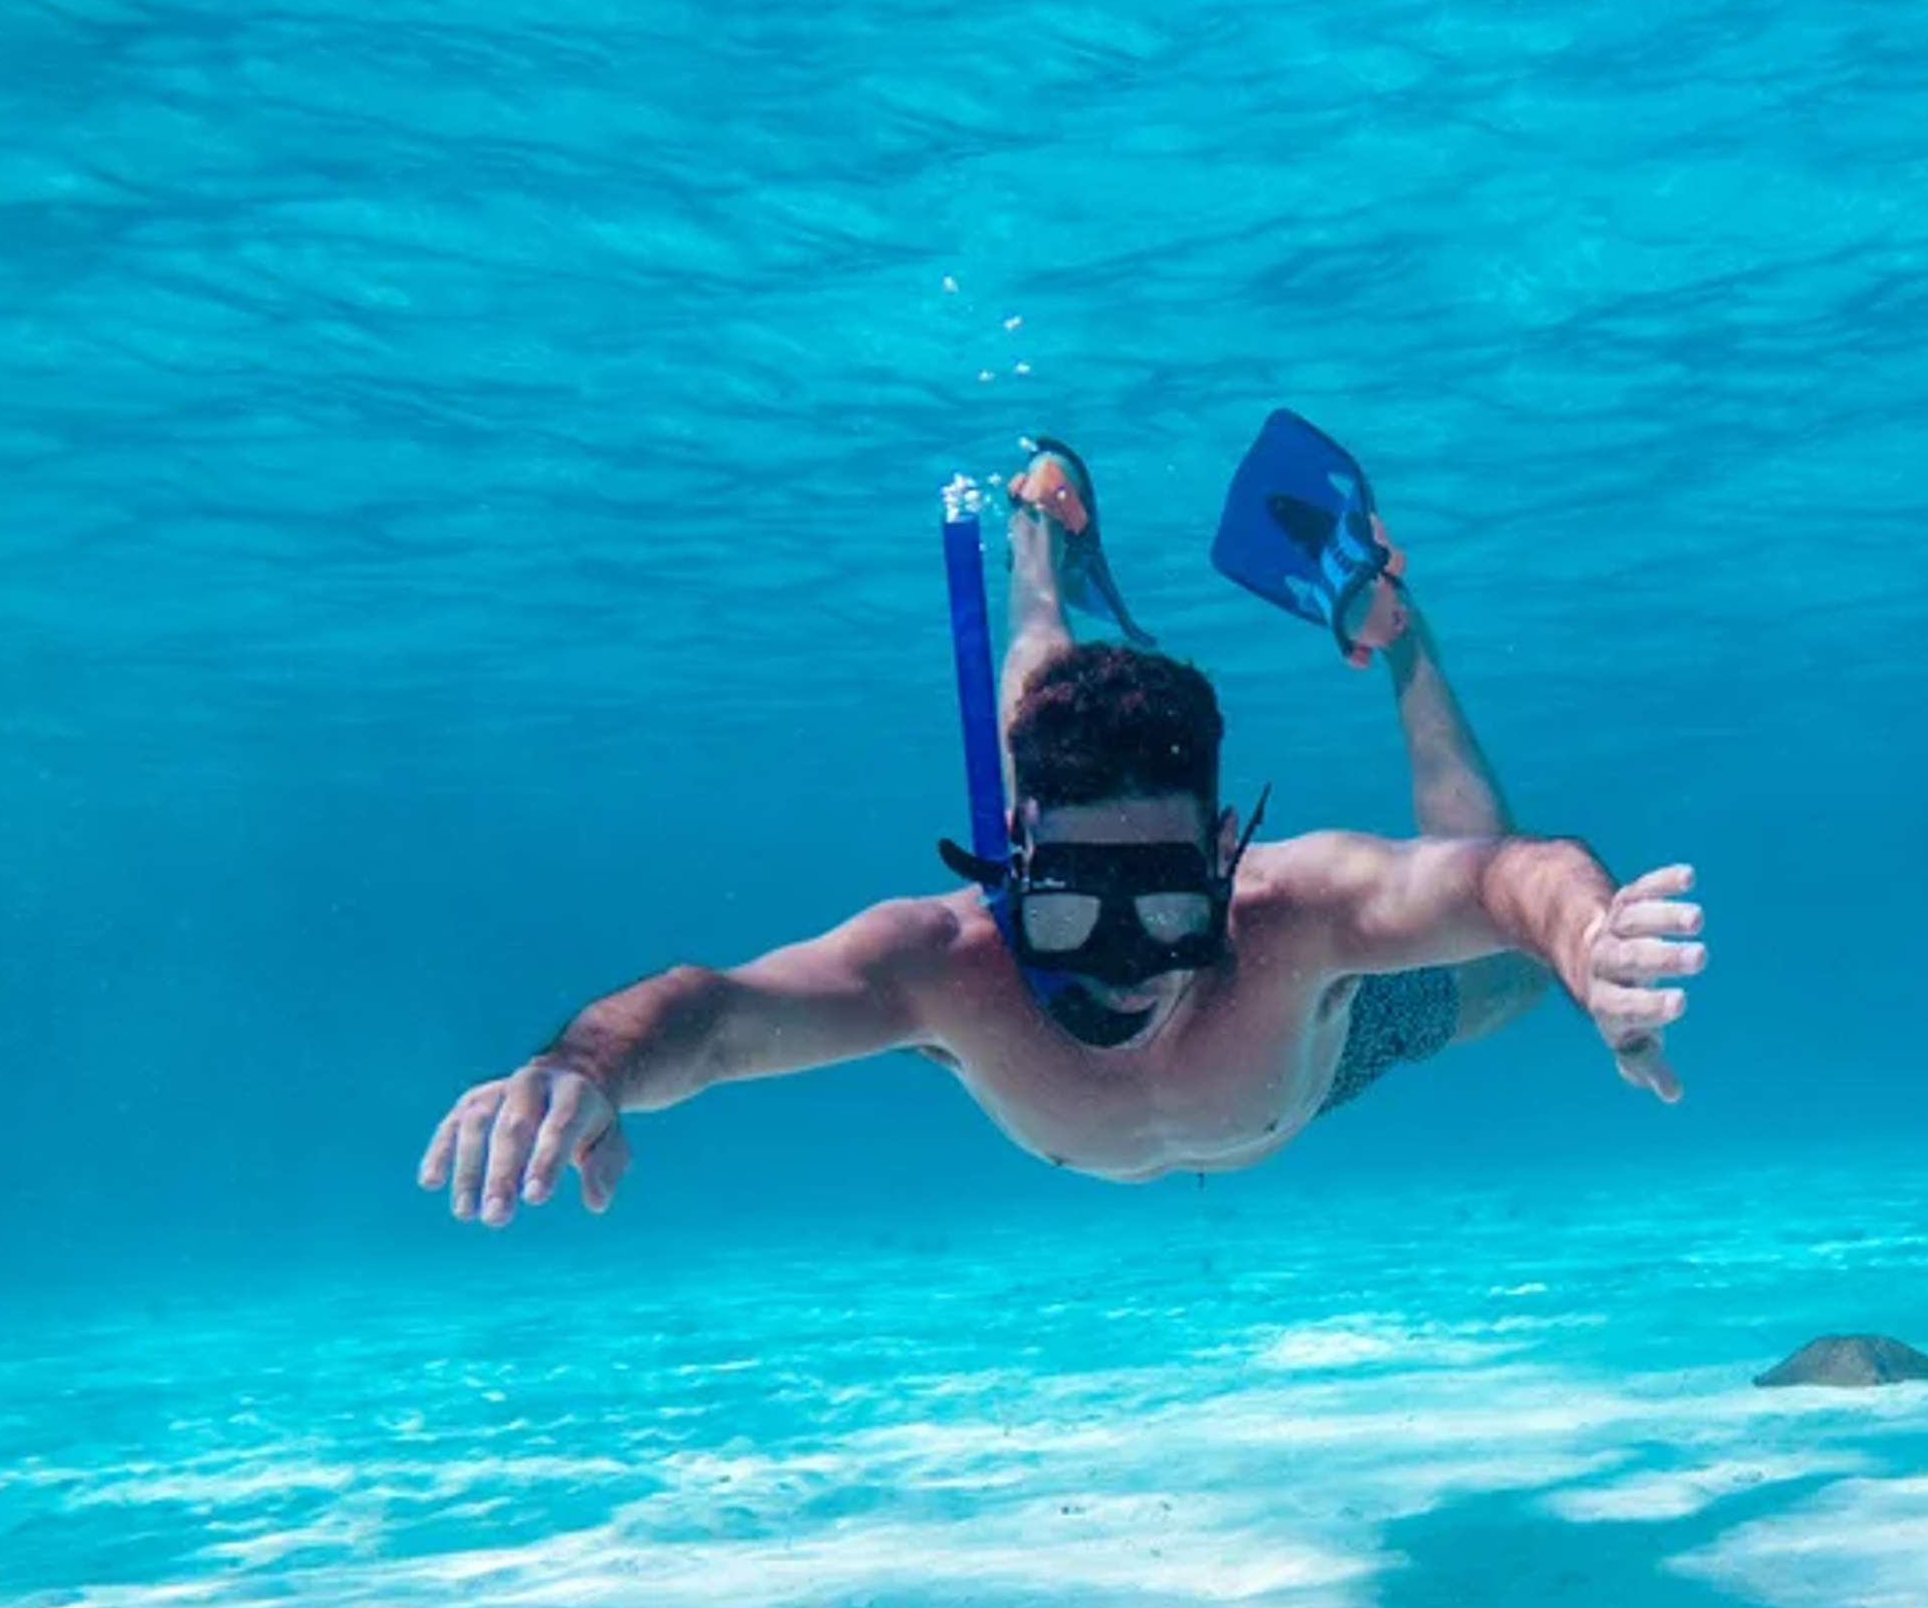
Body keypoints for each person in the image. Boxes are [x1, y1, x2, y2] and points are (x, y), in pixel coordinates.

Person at [418, 441, 1707, 1223]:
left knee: (1503, 980)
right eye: (1069, 911)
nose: (1125, 964)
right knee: (1045, 722)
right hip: (1086, 948)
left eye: (1171, 911)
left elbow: (1504, 879)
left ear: (1225, 863)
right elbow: (711, 1014)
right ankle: (1039, 553)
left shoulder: (1292, 919)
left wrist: (1582, 941)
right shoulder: (951, 964)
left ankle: (1396, 631)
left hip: (1320, 1050)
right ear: (1012, 876)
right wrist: (588, 1067)